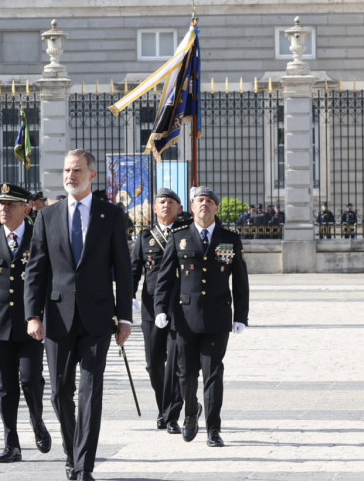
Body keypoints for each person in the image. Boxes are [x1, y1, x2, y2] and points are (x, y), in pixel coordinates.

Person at [24, 150, 134, 481]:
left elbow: (124, 270)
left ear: (92, 175)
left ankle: (84, 465)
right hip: (57, 317)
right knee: (59, 392)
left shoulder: (110, 215)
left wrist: (125, 317)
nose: (71, 175)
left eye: (77, 170)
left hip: (98, 317)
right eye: (67, 170)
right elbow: (36, 270)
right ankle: (72, 452)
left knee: (90, 391)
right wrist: (33, 314)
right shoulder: (48, 216)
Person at [154, 186, 249, 448]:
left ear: (216, 208)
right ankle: (190, 415)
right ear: (192, 208)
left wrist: (241, 315)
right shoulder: (179, 237)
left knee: (213, 373)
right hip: (185, 317)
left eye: (209, 201)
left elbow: (240, 281)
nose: (204, 204)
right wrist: (161, 309)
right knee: (185, 374)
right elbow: (164, 278)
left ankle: (214, 429)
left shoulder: (229, 238)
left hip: (218, 316)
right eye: (199, 201)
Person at [0, 182, 52, 464]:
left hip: (31, 323)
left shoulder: (38, 238)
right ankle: (11, 443)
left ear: (26, 208)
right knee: (5, 387)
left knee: (31, 380)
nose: (3, 209)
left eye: (10, 204)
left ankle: (37, 420)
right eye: (1, 204)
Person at [130, 188, 187, 435]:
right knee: (154, 363)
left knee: (176, 362)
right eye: (161, 202)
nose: (166, 205)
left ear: (180, 208)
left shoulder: (187, 235)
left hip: (181, 307)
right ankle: (166, 406)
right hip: (151, 307)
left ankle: (171, 413)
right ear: (154, 208)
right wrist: (127, 299)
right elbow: (134, 271)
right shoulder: (145, 238)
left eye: (171, 202)